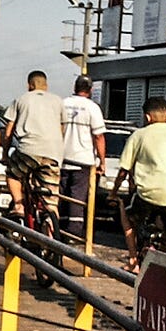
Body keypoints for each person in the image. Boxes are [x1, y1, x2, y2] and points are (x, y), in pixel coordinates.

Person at [114, 96, 166, 264]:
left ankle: (133, 259)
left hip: (148, 196)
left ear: (147, 117)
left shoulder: (139, 135)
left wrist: (113, 193)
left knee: (126, 211)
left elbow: (124, 170)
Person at [1, 69, 65, 227]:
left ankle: (18, 205)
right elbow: (62, 128)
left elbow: (8, 131)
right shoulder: (58, 101)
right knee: (51, 203)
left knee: (12, 174)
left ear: (29, 85)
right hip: (53, 153)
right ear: (46, 85)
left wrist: (5, 154)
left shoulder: (21, 99)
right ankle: (51, 237)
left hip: (28, 150)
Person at [53, 75, 106, 241]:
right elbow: (99, 137)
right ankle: (73, 233)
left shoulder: (62, 103)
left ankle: (56, 228)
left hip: (61, 157)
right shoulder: (92, 108)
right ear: (90, 90)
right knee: (77, 198)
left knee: (60, 195)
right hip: (83, 160)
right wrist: (102, 162)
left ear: (75, 87)